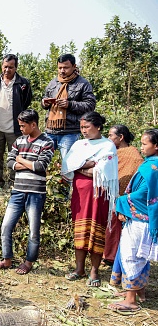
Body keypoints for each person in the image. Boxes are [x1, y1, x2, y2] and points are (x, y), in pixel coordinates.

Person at [0, 110, 55, 274]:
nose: (20, 129)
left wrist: (20, 159)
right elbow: (10, 163)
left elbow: (40, 166)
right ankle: (7, 259)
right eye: (19, 125)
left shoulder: (47, 142)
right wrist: (26, 162)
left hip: (36, 193)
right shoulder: (19, 141)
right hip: (17, 191)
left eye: (23, 125)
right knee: (6, 226)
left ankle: (28, 262)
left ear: (34, 124)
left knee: (33, 230)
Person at [61, 111, 118, 287]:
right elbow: (68, 166)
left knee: (96, 228)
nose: (83, 130)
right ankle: (79, 269)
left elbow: (101, 171)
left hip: (98, 195)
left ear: (98, 126)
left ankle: (94, 270)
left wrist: (80, 167)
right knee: (80, 227)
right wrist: (88, 164)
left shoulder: (108, 146)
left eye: (87, 127)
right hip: (80, 193)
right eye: (81, 127)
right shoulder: (79, 144)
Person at [108, 129, 158, 314]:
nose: (142, 147)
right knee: (141, 255)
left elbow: (144, 195)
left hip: (140, 219)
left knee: (131, 255)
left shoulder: (151, 168)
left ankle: (131, 301)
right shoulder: (152, 165)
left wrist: (121, 201)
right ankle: (139, 293)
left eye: (145, 144)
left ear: (156, 146)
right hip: (147, 220)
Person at [0, 54, 33, 188]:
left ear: (16, 67)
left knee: (15, 155)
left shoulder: (23, 83)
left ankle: (14, 182)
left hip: (14, 127)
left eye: (11, 67)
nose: (7, 70)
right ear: (2, 66)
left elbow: (26, 102)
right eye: (5, 67)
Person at [103, 125, 144, 265]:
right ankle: (107, 254)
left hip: (124, 198)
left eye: (110, 135)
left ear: (121, 137)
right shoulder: (111, 152)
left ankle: (112, 257)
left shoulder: (133, 155)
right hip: (108, 195)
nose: (108, 138)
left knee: (116, 227)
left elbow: (133, 177)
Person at [42, 54, 96, 158]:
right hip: (50, 130)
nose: (62, 71)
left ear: (74, 66)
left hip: (70, 131)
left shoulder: (83, 84)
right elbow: (45, 98)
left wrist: (69, 104)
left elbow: (90, 105)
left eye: (66, 67)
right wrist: (45, 103)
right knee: (43, 161)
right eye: (60, 68)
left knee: (68, 164)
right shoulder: (53, 82)